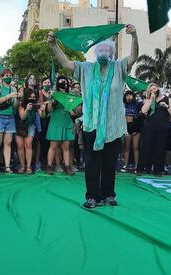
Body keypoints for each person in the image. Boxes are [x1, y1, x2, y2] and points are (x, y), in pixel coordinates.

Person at [47, 23, 139, 208]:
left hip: (113, 126)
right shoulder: (86, 69)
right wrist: (54, 46)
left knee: (109, 162)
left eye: (107, 49)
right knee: (92, 162)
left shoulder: (119, 67)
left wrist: (134, 36)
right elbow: (65, 63)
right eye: (101, 49)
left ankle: (108, 194)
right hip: (91, 124)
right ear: (96, 52)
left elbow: (133, 57)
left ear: (112, 52)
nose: (104, 51)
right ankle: (92, 196)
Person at [137, 83, 171, 175]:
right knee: (146, 147)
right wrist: (151, 99)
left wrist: (166, 106)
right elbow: (143, 111)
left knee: (160, 148)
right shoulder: (147, 100)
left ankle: (158, 170)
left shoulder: (167, 99)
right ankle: (142, 168)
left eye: (155, 88)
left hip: (162, 127)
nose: (153, 90)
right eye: (151, 90)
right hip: (149, 126)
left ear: (158, 89)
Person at [45, 76, 76, 175]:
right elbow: (49, 110)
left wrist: (77, 102)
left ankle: (67, 166)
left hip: (66, 121)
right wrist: (51, 100)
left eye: (65, 82)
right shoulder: (54, 94)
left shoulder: (69, 95)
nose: (64, 83)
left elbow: (73, 112)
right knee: (53, 145)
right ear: (58, 83)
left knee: (66, 146)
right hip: (56, 121)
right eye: (62, 82)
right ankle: (49, 166)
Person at [0, 69, 19, 173]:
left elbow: (15, 106)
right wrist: (8, 96)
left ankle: (7, 166)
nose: (8, 76)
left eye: (10, 75)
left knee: (8, 143)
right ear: (2, 77)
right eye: (6, 75)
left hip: (10, 117)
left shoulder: (14, 88)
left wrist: (17, 99)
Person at [16, 88, 46, 174]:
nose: (32, 98)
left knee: (28, 144)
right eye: (30, 97)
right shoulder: (22, 104)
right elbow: (22, 117)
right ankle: (22, 165)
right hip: (20, 125)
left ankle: (28, 166)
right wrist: (27, 109)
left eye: (34, 97)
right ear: (26, 97)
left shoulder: (36, 105)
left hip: (30, 125)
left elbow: (42, 116)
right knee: (20, 146)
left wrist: (43, 110)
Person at [120, 90, 143, 173]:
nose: (129, 97)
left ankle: (137, 166)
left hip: (135, 127)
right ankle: (125, 164)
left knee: (136, 147)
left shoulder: (137, 104)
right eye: (127, 95)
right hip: (126, 126)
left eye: (130, 95)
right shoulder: (122, 104)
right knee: (127, 147)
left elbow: (142, 114)